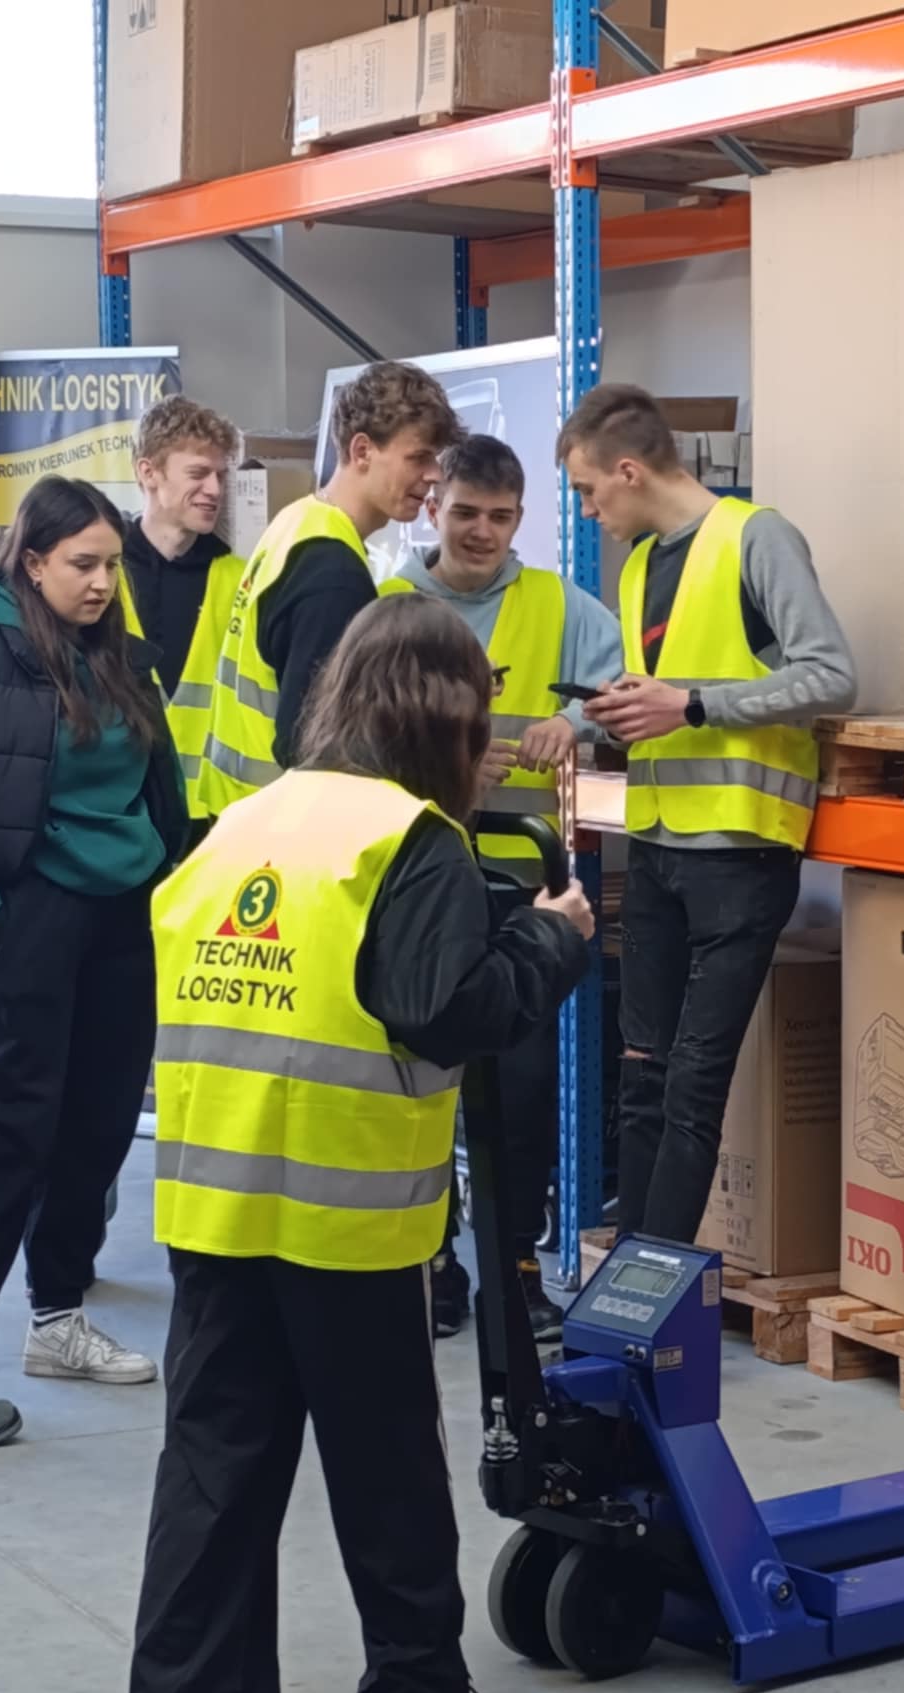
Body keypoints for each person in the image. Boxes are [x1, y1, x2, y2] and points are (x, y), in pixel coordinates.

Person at [129, 593, 593, 1693]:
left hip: (214, 1203)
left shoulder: (245, 823)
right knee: (384, 1461)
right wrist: (551, 940)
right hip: (343, 1216)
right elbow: (447, 1010)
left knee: (214, 1465)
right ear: (446, 717)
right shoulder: (409, 840)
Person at [557, 383, 857, 1246]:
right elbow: (657, 695)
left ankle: (656, 1290)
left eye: (588, 491)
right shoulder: (641, 565)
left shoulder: (757, 539)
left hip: (740, 852)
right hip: (657, 845)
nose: (589, 511)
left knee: (692, 1086)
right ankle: (628, 1278)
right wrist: (589, 717)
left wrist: (691, 705)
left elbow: (831, 676)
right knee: (642, 1078)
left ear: (628, 470)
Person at [0, 479, 190, 1449]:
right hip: (27, 913)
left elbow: (163, 791)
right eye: (81, 565)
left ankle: (57, 1319)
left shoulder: (123, 658)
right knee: (16, 1127)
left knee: (97, 1125)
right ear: (33, 562)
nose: (100, 582)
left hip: (124, 914)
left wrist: (171, 878)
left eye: (110, 565)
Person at [392, 433, 622, 1343]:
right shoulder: (393, 607)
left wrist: (574, 720)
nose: (482, 532)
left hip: (526, 885)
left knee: (522, 1097)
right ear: (433, 506)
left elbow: (616, 692)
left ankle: (515, 1272)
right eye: (464, 513)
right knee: (424, 1091)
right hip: (416, 882)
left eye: (500, 516)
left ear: (521, 516)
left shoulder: (558, 605)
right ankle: (432, 1265)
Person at [199, 359, 459, 818]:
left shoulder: (298, 521)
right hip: (282, 828)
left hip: (242, 817)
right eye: (419, 457)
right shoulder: (333, 572)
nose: (435, 474)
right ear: (362, 451)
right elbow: (312, 743)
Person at [120, 396, 245, 819]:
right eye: (198, 473)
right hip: (122, 814)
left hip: (211, 818)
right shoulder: (103, 572)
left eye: (220, 475)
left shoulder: (240, 578)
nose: (215, 490)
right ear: (148, 472)